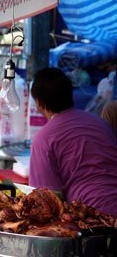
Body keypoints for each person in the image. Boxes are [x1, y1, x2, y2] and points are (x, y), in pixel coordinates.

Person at [29, 67, 117, 216]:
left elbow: (47, 198)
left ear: (38, 102)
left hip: (92, 218)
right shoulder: (99, 122)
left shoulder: (43, 138)